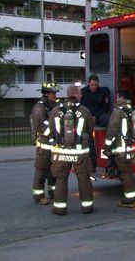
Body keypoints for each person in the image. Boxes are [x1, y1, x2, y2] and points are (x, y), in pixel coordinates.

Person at [49, 84, 95, 215]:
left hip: (62, 151)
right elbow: (90, 129)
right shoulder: (85, 111)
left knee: (61, 179)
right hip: (80, 152)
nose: (81, 95)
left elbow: (51, 130)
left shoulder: (56, 110)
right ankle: (87, 207)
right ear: (75, 94)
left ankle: (59, 208)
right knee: (84, 178)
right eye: (79, 93)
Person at [104, 90, 135, 208]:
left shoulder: (118, 112)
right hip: (130, 148)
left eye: (117, 97)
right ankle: (132, 195)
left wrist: (107, 148)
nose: (116, 99)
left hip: (120, 149)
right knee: (126, 171)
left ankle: (129, 199)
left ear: (121, 97)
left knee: (125, 173)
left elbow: (111, 131)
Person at [30, 81, 59, 205]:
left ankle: (53, 192)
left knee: (53, 171)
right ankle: (38, 196)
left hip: (52, 145)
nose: (55, 96)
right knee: (42, 171)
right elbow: (39, 127)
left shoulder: (51, 106)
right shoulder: (39, 108)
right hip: (44, 144)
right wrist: (53, 132)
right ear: (46, 94)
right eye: (53, 93)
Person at [81, 75, 110, 171]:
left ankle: (110, 146)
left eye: (96, 85)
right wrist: (89, 117)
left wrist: (96, 117)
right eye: (92, 85)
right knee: (89, 142)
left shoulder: (103, 92)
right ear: (88, 83)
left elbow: (105, 107)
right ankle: (92, 165)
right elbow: (81, 108)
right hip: (87, 117)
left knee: (108, 120)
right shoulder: (83, 92)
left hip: (99, 115)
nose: (94, 87)